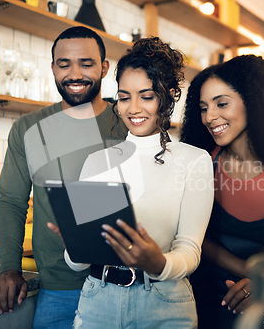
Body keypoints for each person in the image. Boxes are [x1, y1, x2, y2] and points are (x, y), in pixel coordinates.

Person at [49, 37, 214, 328]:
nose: (133, 108)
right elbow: (79, 263)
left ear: (169, 95)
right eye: (124, 97)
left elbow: (190, 250)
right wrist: (75, 246)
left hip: (165, 304)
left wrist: (157, 263)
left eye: (146, 96)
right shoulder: (98, 162)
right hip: (98, 301)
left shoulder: (194, 160)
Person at [0, 26, 128, 328]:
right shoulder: (27, 129)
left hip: (124, 287)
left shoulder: (128, 124)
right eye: (65, 64)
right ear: (52, 68)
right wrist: (9, 268)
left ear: (104, 67)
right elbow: (11, 201)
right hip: (59, 290)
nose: (75, 74)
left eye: (86, 64)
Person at [180, 54, 264, 328]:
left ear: (253, 103)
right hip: (198, 299)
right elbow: (188, 238)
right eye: (203, 107)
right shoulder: (200, 164)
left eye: (222, 104)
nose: (209, 117)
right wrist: (256, 273)